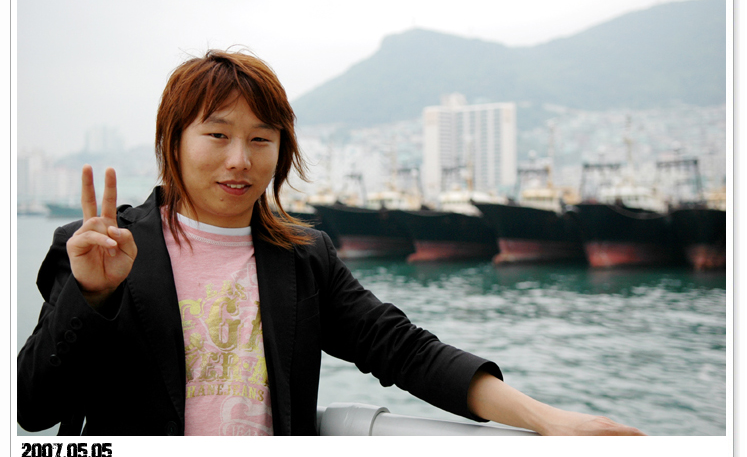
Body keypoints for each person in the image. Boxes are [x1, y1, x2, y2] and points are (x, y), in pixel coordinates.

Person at [17, 49, 645, 437]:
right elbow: (33, 407)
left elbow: (403, 350)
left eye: (261, 139)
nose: (240, 160)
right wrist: (92, 297)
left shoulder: (302, 257)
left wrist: (548, 419)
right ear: (172, 141)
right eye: (217, 135)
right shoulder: (96, 248)